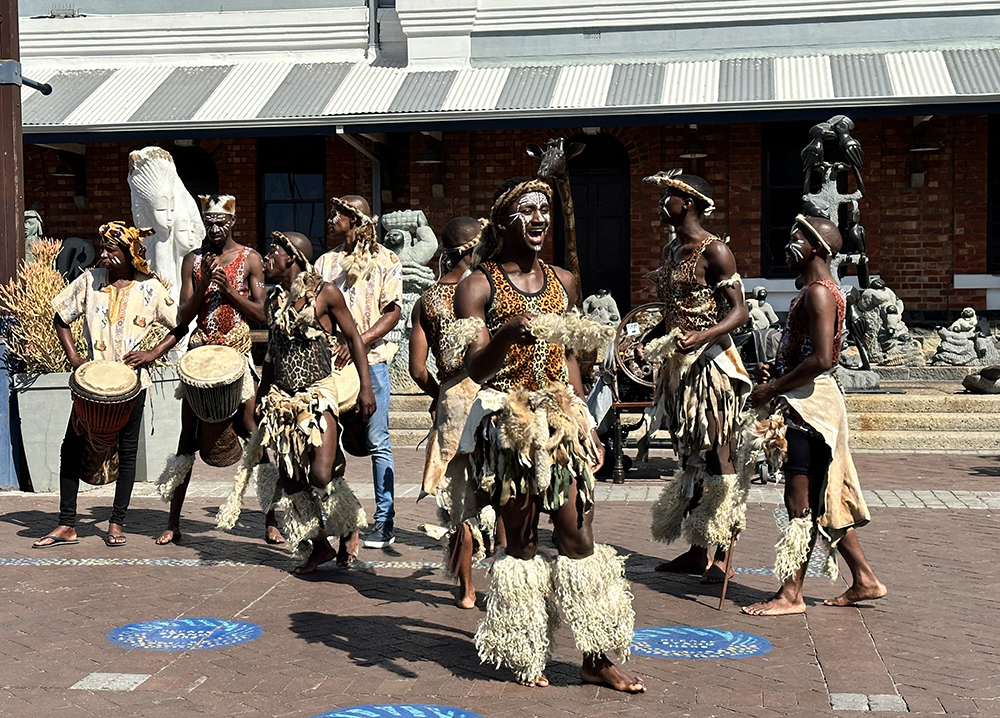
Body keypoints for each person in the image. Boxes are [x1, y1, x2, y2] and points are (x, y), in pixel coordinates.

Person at [454, 177, 643, 692]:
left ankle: (596, 657)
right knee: (519, 541)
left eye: (545, 211)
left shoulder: (565, 281)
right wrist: (509, 334)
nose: (540, 218)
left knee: (578, 536)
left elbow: (568, 358)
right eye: (527, 210)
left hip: (560, 425)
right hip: (510, 429)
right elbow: (474, 366)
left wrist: (585, 423)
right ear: (504, 221)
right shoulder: (479, 285)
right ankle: (525, 649)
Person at [743, 215, 886, 615]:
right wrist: (777, 370)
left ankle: (791, 594)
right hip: (804, 398)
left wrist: (773, 387)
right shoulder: (813, 291)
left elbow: (824, 358)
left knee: (799, 499)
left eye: (796, 239)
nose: (788, 245)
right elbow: (806, 353)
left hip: (811, 407)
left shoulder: (820, 293)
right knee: (821, 497)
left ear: (817, 248)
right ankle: (864, 579)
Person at [33, 222, 183, 548]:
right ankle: (67, 524)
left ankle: (116, 522)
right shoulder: (89, 282)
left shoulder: (151, 289)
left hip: (132, 386)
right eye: (102, 248)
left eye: (110, 249)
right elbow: (61, 317)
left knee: (127, 454)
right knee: (70, 450)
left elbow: (180, 324)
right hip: (90, 387)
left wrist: (153, 352)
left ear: (128, 252)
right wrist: (75, 359)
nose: (104, 255)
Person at [642, 170, 752, 584]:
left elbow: (739, 312)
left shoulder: (716, 251)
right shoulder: (672, 251)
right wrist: (650, 337)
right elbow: (672, 311)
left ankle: (723, 549)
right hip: (679, 371)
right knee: (691, 456)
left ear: (687, 202)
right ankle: (697, 549)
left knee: (720, 455)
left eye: (669, 195)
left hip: (712, 366)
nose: (662, 202)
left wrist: (703, 335)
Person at [154, 194, 281, 546]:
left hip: (236, 358)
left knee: (255, 436)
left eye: (221, 223)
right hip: (200, 357)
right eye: (209, 223)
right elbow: (183, 315)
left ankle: (271, 520)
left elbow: (261, 314)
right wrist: (206, 283)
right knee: (186, 439)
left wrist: (228, 290)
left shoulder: (250, 258)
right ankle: (174, 521)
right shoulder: (193, 260)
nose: (215, 229)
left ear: (233, 223)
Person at [257, 231, 377, 573]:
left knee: (322, 474)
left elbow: (354, 338)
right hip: (282, 400)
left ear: (291, 257)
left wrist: (365, 388)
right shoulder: (273, 300)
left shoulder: (326, 293)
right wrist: (263, 392)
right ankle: (320, 545)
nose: (267, 258)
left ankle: (349, 523)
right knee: (292, 478)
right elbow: (273, 352)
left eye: (273, 251)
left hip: (319, 394)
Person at [410, 216, 496, 609]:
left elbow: (416, 368)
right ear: (472, 248)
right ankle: (506, 578)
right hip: (491, 394)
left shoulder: (427, 300)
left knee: (459, 499)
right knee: (499, 488)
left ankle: (466, 588)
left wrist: (439, 393)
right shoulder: (486, 291)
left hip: (452, 400)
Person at [314, 195, 401, 549]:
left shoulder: (386, 260)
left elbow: (393, 312)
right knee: (330, 444)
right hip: (332, 368)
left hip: (374, 362)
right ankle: (339, 514)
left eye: (340, 214)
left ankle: (385, 519)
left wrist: (357, 343)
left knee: (377, 441)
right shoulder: (325, 262)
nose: (332, 218)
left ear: (357, 221)